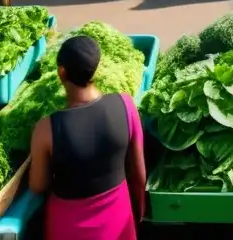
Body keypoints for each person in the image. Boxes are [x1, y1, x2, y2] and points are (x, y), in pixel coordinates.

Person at [30, 36, 146, 240]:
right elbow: (138, 174)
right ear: (96, 68)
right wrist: (139, 211)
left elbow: (38, 184)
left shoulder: (47, 128)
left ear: (62, 72)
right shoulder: (126, 105)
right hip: (117, 222)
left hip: (69, 228)